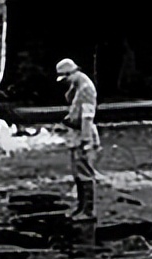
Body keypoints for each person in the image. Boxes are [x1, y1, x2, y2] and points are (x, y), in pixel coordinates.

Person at [55, 58, 101, 221]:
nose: (65, 82)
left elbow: (87, 117)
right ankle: (81, 207)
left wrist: (86, 141)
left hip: (83, 135)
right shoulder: (77, 87)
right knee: (77, 174)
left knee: (85, 173)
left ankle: (88, 210)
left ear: (72, 73)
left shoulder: (87, 89)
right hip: (76, 135)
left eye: (66, 78)